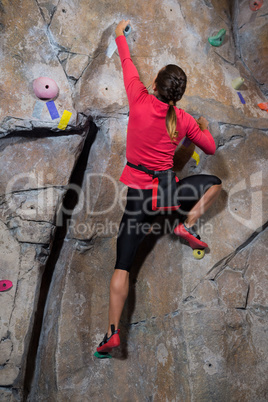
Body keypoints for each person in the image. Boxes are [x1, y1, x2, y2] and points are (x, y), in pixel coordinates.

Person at [97, 20, 222, 354]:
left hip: (139, 200)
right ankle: (186, 224)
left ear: (154, 83)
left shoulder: (138, 98)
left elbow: (127, 63)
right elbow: (209, 148)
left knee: (122, 266)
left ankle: (112, 333)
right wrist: (201, 126)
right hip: (168, 195)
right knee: (214, 185)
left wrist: (120, 35)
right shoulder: (182, 120)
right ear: (177, 96)